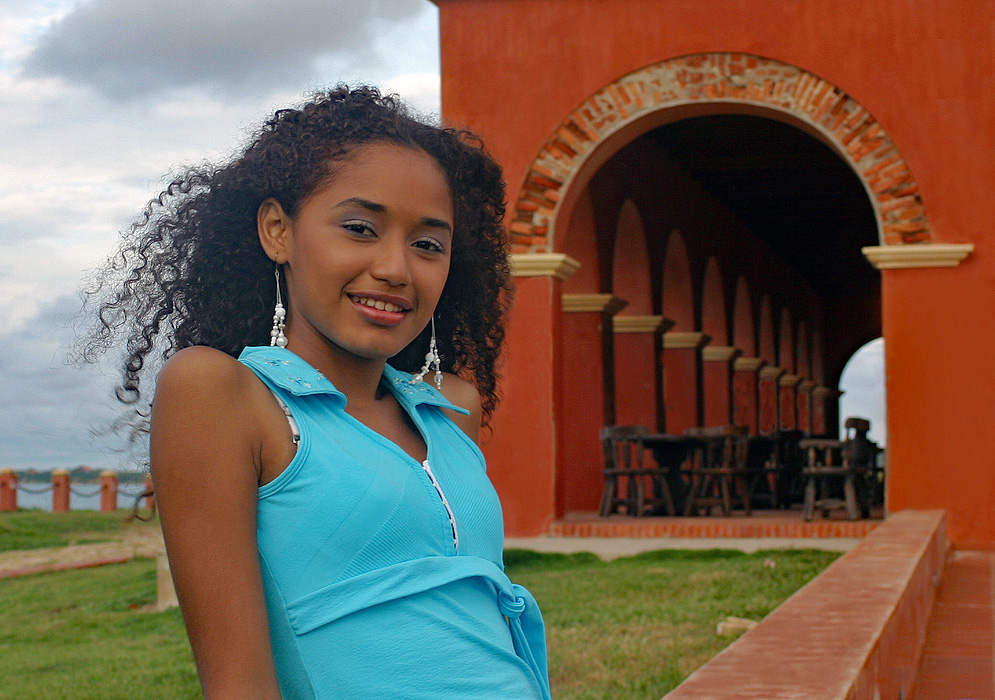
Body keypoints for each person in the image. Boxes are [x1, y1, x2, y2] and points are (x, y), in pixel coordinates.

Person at [83, 86, 550, 700]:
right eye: (360, 228)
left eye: (428, 244)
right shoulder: (224, 394)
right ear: (278, 231)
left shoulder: (450, 409)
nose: (396, 268)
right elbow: (237, 684)